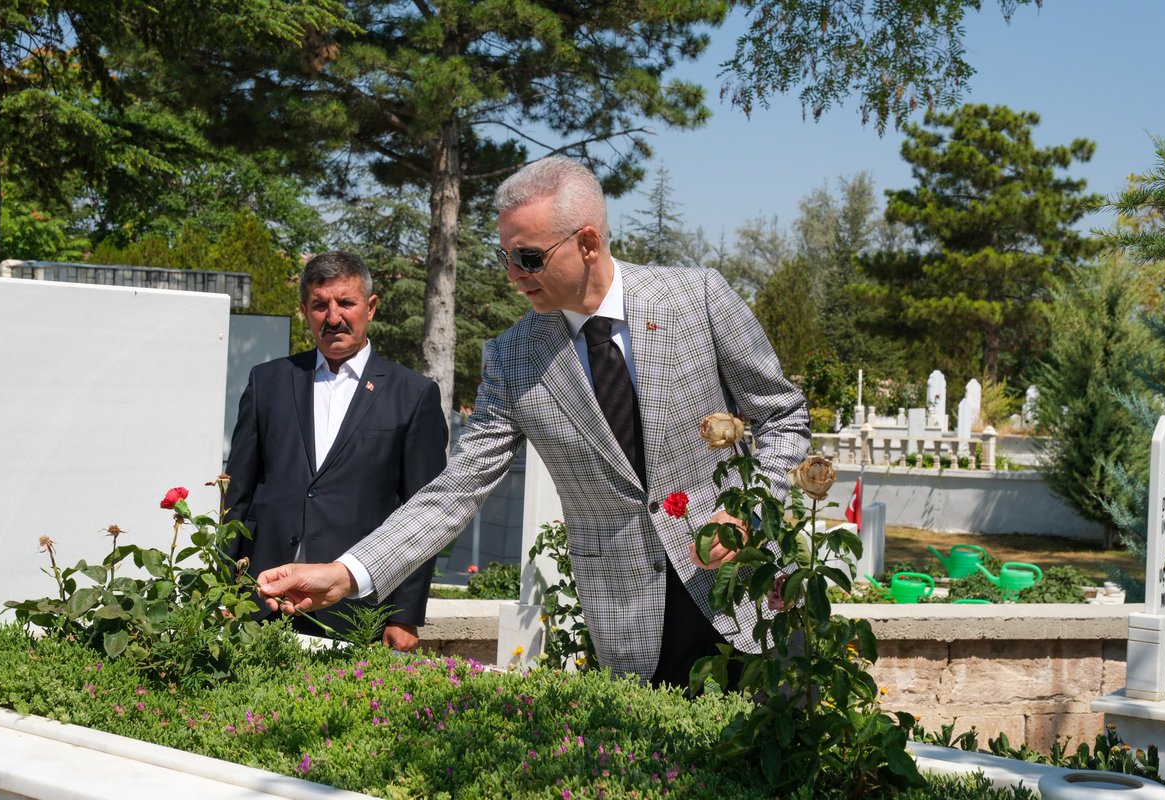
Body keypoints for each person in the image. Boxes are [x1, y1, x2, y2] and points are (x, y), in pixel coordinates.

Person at [256, 157, 810, 686]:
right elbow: (456, 489)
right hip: (630, 620)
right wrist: (347, 572)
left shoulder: (698, 299)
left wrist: (746, 512)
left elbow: (782, 417)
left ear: (588, 243)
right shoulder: (512, 356)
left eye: (527, 258)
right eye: (504, 257)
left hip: (752, 589)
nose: (512, 276)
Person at [224, 250, 448, 651]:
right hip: (260, 602)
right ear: (304, 311)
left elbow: (422, 514)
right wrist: (224, 591)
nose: (333, 317)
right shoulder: (268, 383)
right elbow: (237, 498)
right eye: (319, 305)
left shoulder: (413, 396)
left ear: (371, 307)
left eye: (345, 302)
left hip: (355, 610)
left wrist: (405, 614)